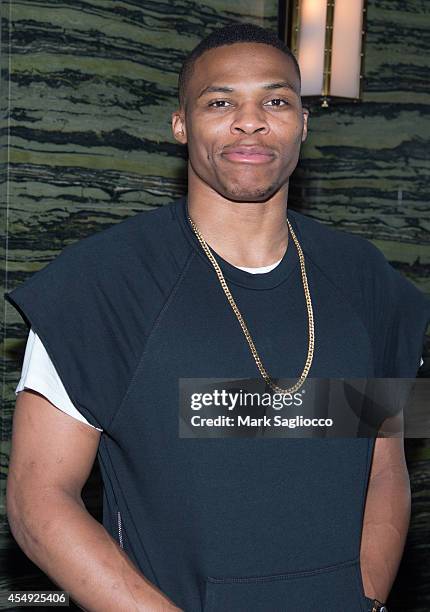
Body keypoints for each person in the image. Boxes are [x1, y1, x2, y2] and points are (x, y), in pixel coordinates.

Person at [4, 22, 430, 612]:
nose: (250, 120)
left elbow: (384, 469)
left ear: (302, 123)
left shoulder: (365, 280)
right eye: (221, 101)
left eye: (276, 100)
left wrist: (365, 600)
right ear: (181, 125)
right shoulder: (99, 285)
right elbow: (38, 501)